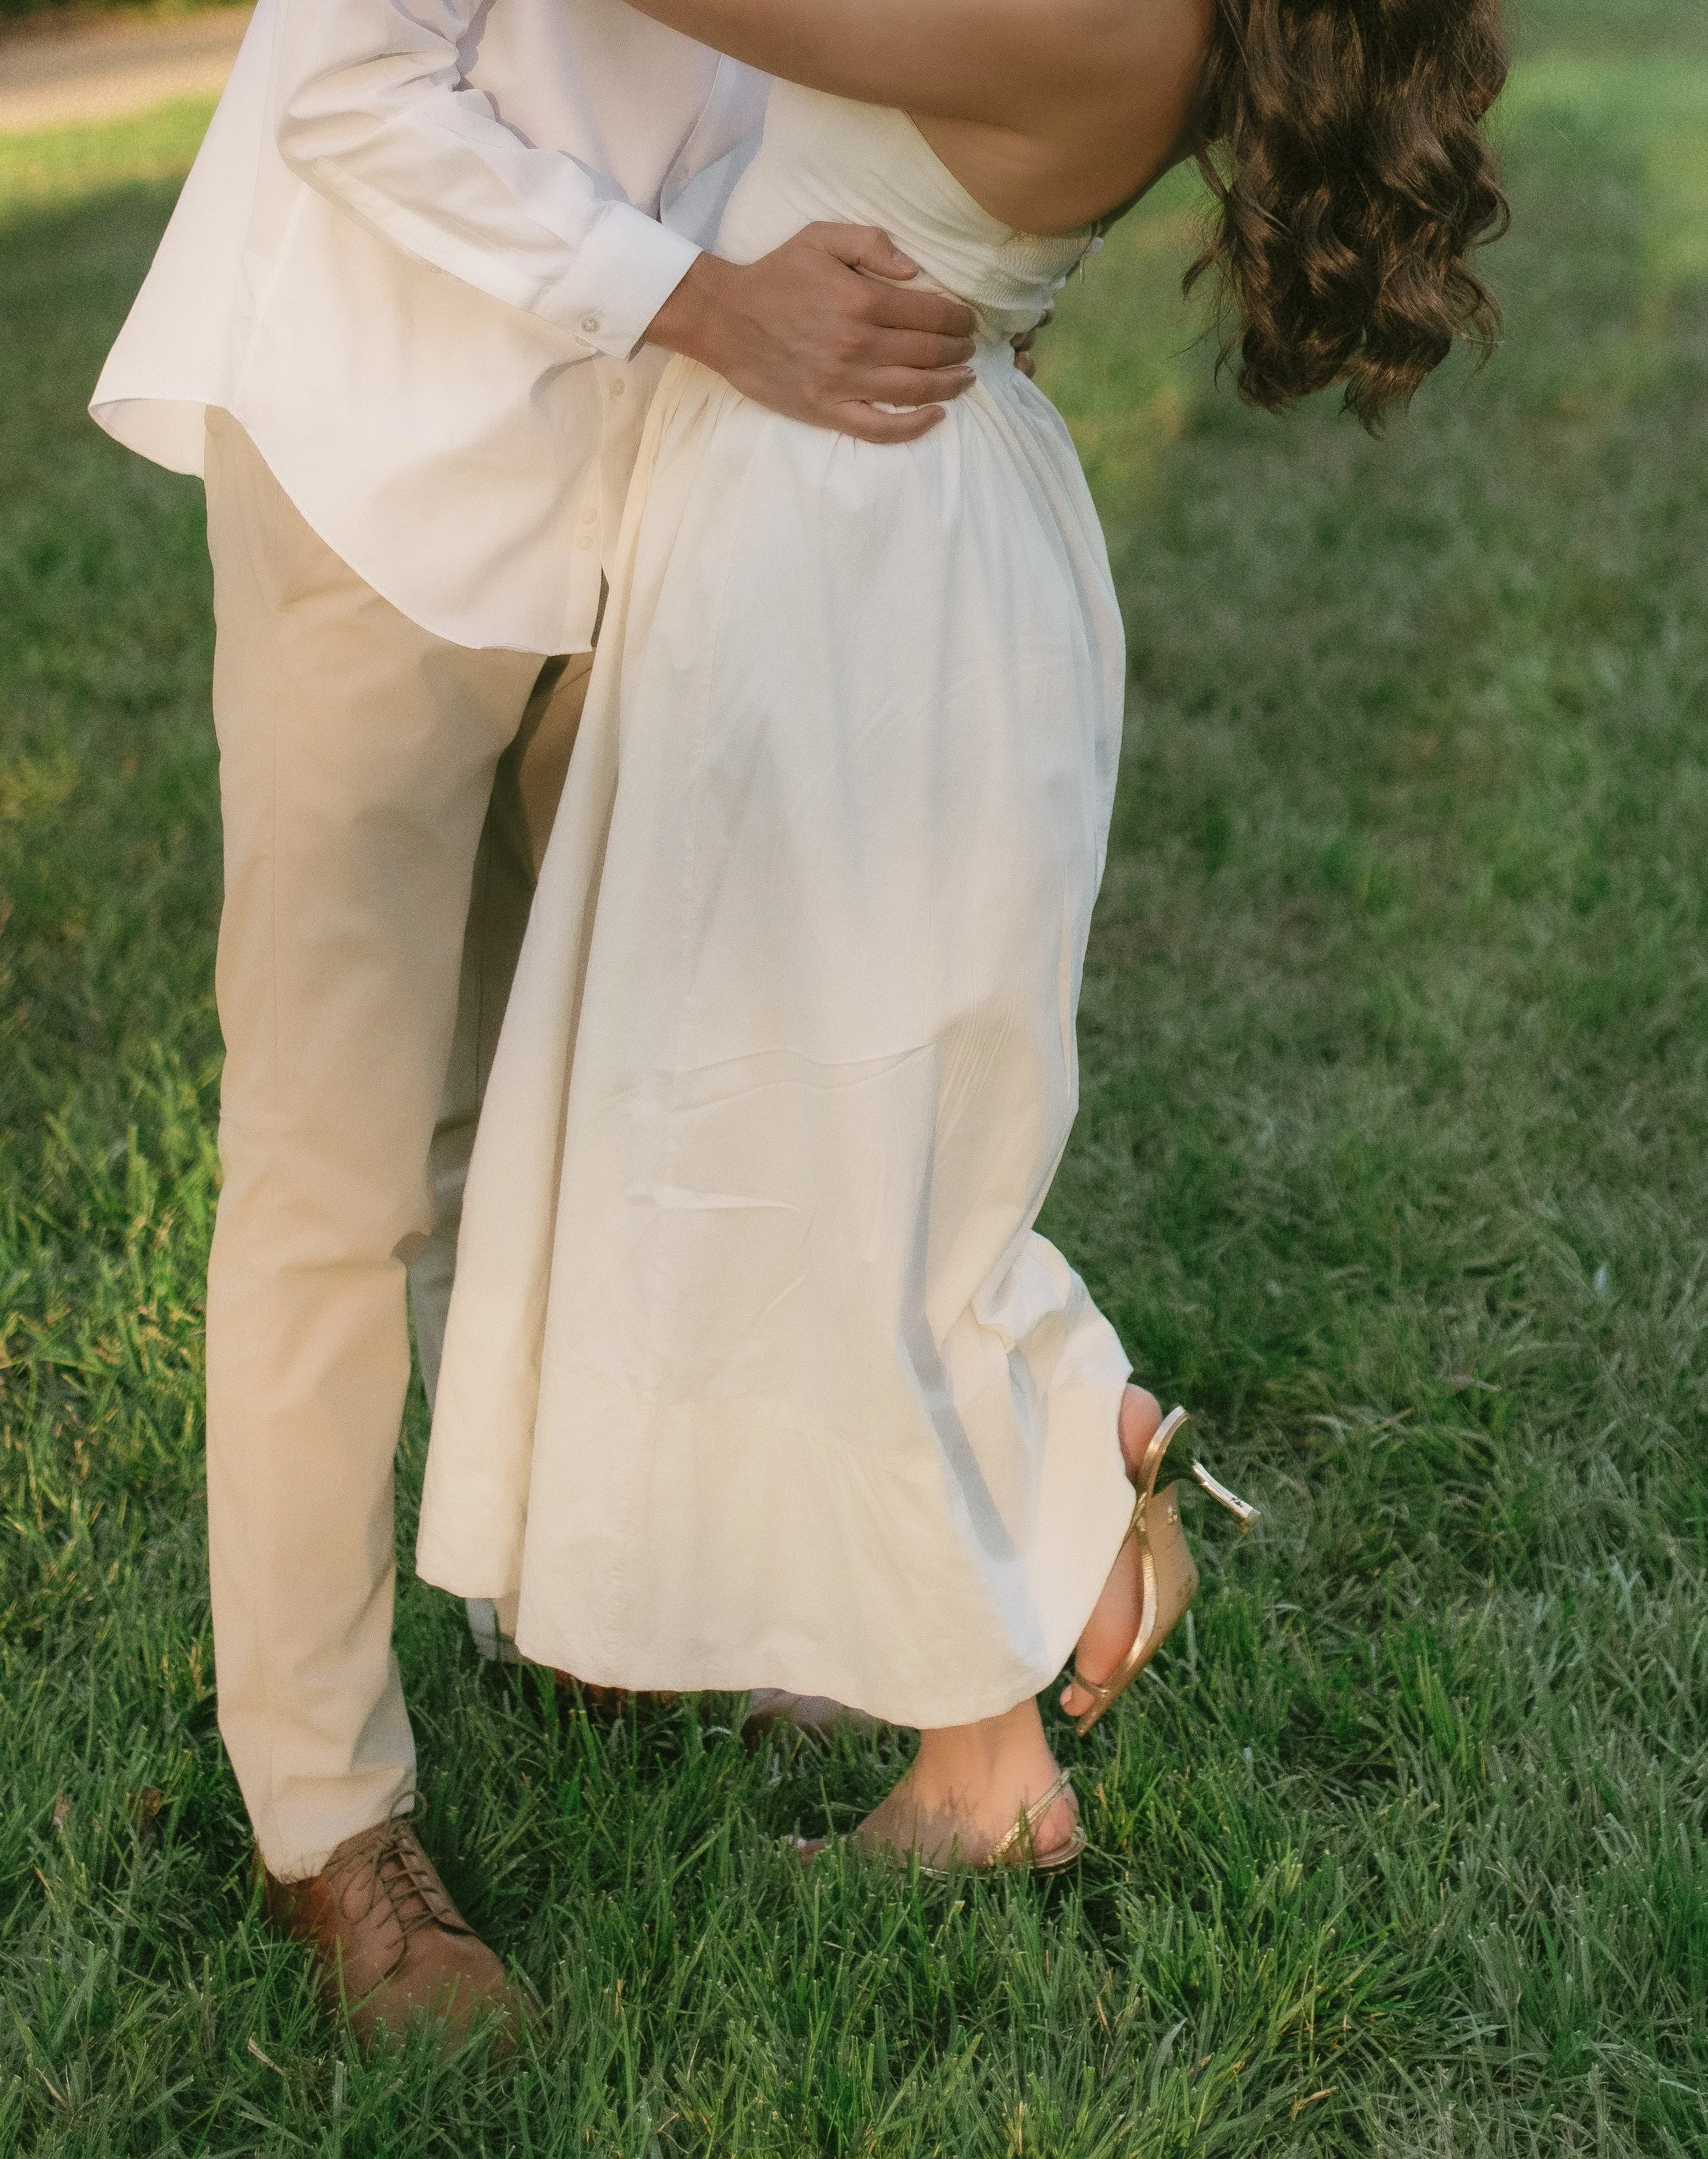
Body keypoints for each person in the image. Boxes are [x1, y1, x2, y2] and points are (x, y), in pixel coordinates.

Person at [417, 0, 1508, 1873]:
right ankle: (1045, 1492)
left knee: (837, 1167)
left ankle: (995, 1742)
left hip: (847, 554)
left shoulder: (1096, 18)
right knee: (832, 1146)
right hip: (858, 511)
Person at [91, 0, 988, 2052]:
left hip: (656, 470)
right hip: (383, 453)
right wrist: (707, 302)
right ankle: (325, 1818)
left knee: (589, 1109)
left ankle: (577, 1608)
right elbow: (348, 87)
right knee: (339, 1173)